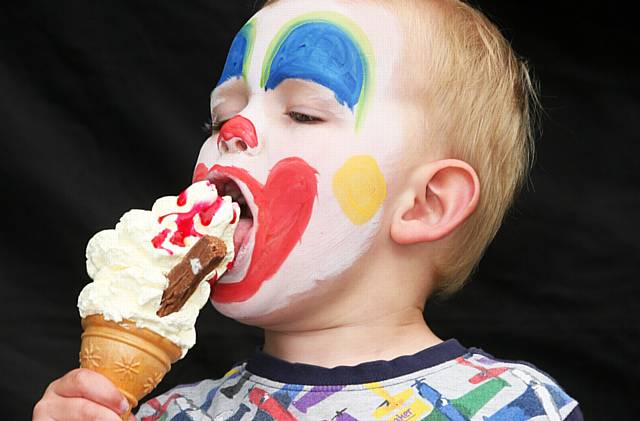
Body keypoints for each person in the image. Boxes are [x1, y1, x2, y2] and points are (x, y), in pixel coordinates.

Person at [33, 0, 583, 419]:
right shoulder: (168, 414)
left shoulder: (515, 407)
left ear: (425, 204)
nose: (235, 132)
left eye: (302, 113)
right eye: (220, 117)